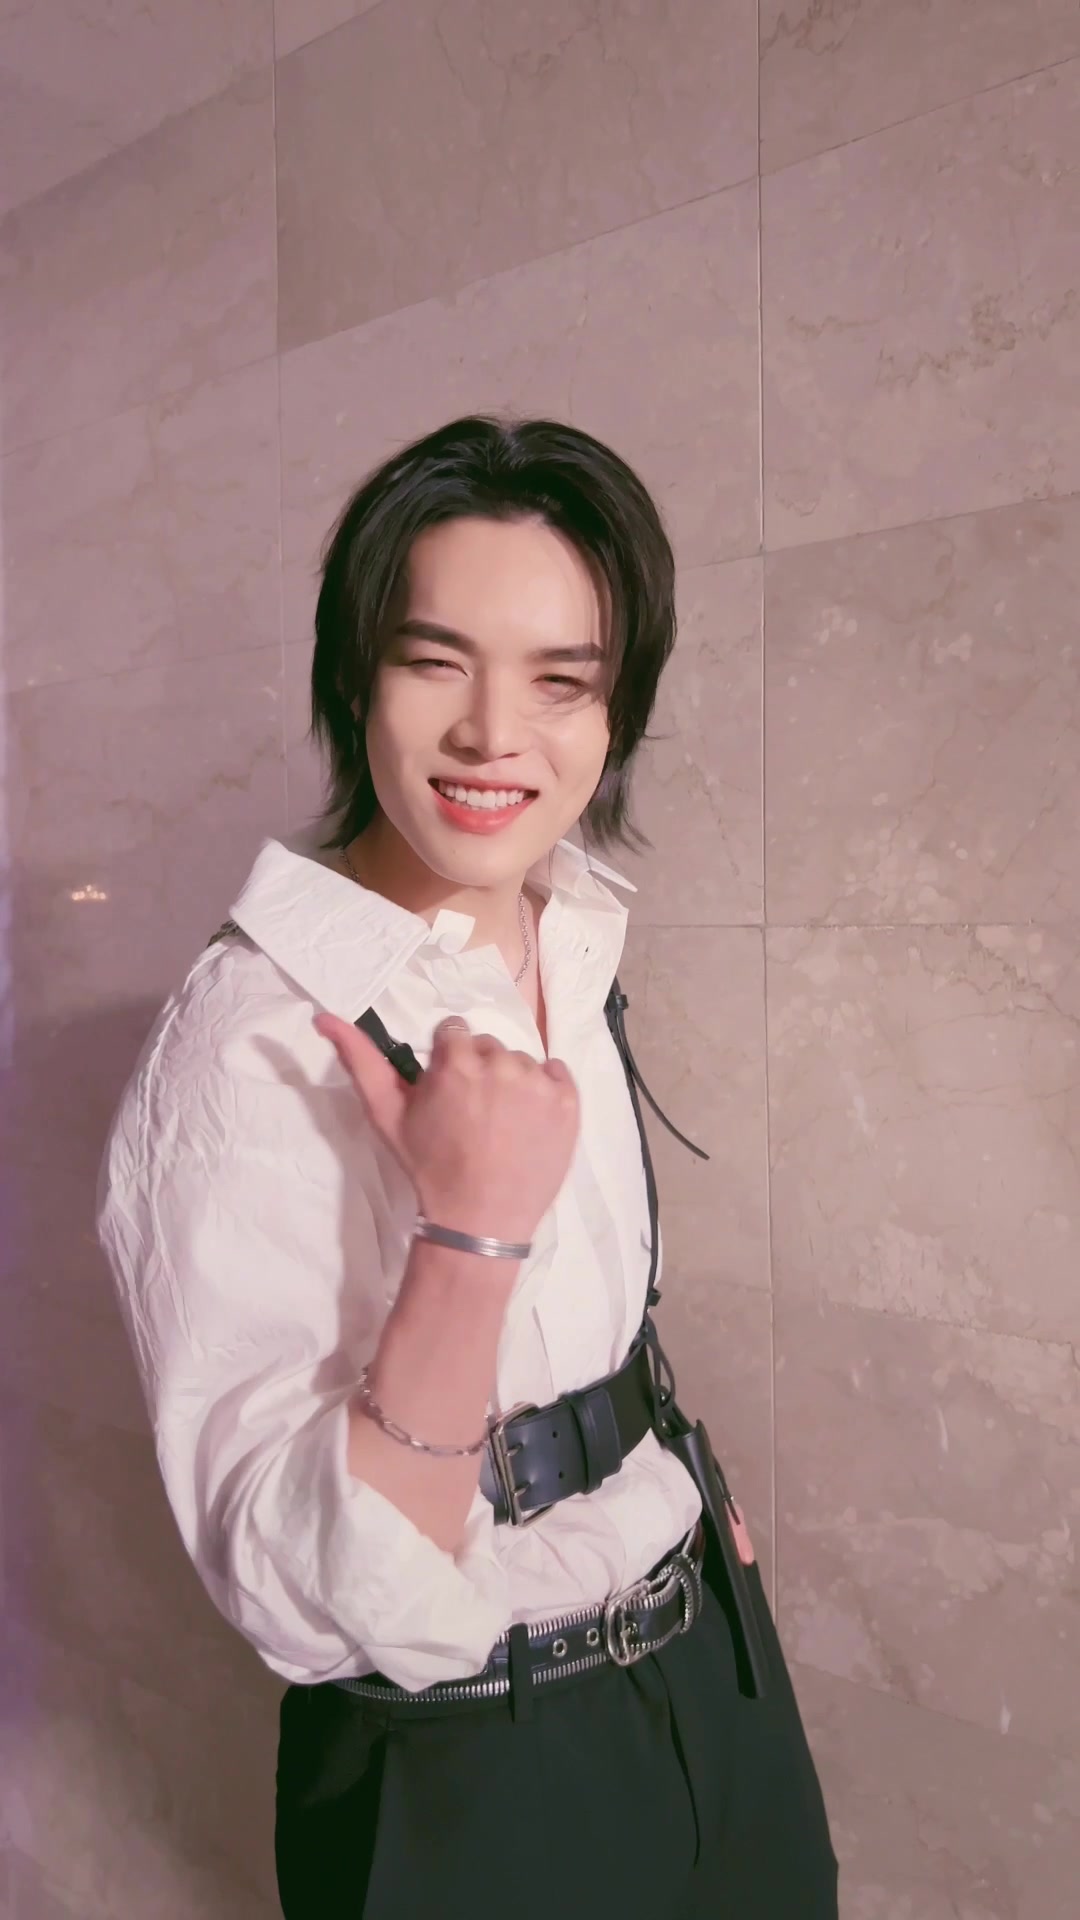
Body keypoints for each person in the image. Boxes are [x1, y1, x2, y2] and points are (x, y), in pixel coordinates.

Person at [97, 415, 838, 1919]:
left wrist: (669, 1482)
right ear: (352, 679)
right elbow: (308, 1606)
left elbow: (597, 1312)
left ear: (616, 711)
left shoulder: (566, 930)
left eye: (561, 680)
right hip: (472, 1767)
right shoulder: (249, 1042)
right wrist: (470, 1239)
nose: (497, 735)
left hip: (710, 1668)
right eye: (435, 662)